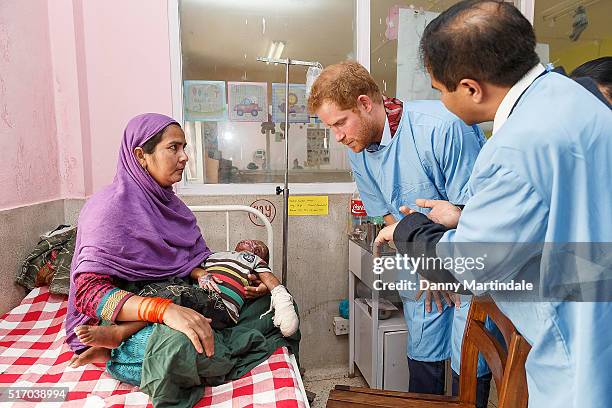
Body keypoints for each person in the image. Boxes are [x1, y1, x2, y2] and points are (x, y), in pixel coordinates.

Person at [375, 2, 612, 407]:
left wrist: (406, 228)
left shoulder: (514, 145)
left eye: (439, 90)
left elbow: (466, 267)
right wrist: (465, 216)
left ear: (470, 88)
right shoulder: (577, 99)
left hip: (579, 354)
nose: (440, 102)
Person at [308, 61, 492, 404]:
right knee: (424, 357)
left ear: (365, 104)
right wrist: (427, 264)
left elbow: (480, 213)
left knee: (468, 360)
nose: (338, 137)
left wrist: (443, 267)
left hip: (469, 262)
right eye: (329, 127)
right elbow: (390, 216)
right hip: (421, 263)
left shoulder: (443, 128)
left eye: (339, 123)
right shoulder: (359, 152)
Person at [65, 113, 283, 382]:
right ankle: (112, 354)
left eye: (184, 148)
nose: (184, 157)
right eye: (173, 148)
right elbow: (89, 294)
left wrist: (249, 280)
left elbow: (193, 260)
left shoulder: (173, 207)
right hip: (119, 317)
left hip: (171, 294)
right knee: (184, 349)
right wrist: (163, 310)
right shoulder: (107, 209)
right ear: (141, 155)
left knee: (267, 304)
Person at [73, 239, 299, 363]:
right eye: (251, 240)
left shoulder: (251, 261)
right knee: (156, 290)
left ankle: (118, 335)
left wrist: (277, 296)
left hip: (221, 307)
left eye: (259, 246)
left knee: (176, 295)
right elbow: (191, 268)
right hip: (201, 294)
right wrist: (202, 274)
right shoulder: (214, 256)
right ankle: (112, 350)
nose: (252, 242)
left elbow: (271, 281)